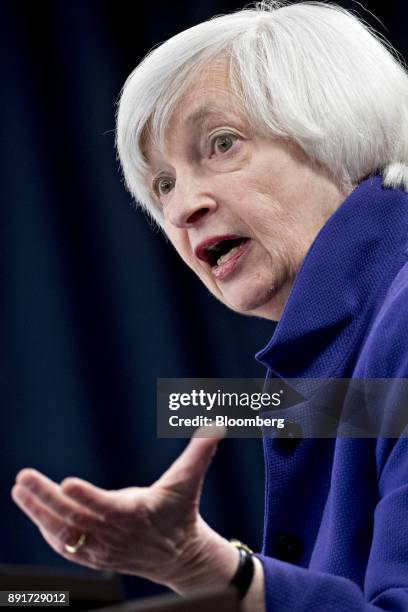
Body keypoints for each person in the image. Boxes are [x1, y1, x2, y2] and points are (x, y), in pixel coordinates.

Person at [11, 1, 408, 609]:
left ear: (343, 138)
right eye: (163, 182)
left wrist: (221, 572)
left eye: (222, 144)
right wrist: (198, 567)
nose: (178, 209)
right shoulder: (325, 367)